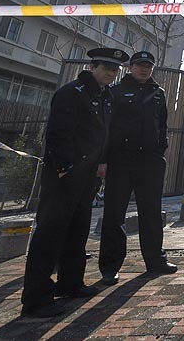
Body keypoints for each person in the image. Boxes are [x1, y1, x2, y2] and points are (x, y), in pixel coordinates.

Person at [21, 47, 128, 318]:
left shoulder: (106, 96)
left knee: (78, 230)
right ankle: (36, 298)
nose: (111, 73)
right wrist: (64, 168)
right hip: (64, 175)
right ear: (92, 67)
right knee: (50, 233)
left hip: (88, 175)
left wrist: (100, 164)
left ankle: (70, 283)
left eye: (115, 70)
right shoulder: (72, 92)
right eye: (106, 68)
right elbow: (57, 133)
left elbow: (103, 135)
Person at [100, 51, 176, 286]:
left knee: (151, 212)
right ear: (130, 67)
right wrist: (103, 159)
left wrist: (160, 150)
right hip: (120, 159)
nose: (145, 70)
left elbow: (162, 125)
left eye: (148, 66)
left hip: (150, 160)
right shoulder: (115, 92)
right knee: (114, 213)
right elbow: (106, 128)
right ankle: (110, 267)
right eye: (140, 65)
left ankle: (155, 260)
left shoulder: (158, 93)